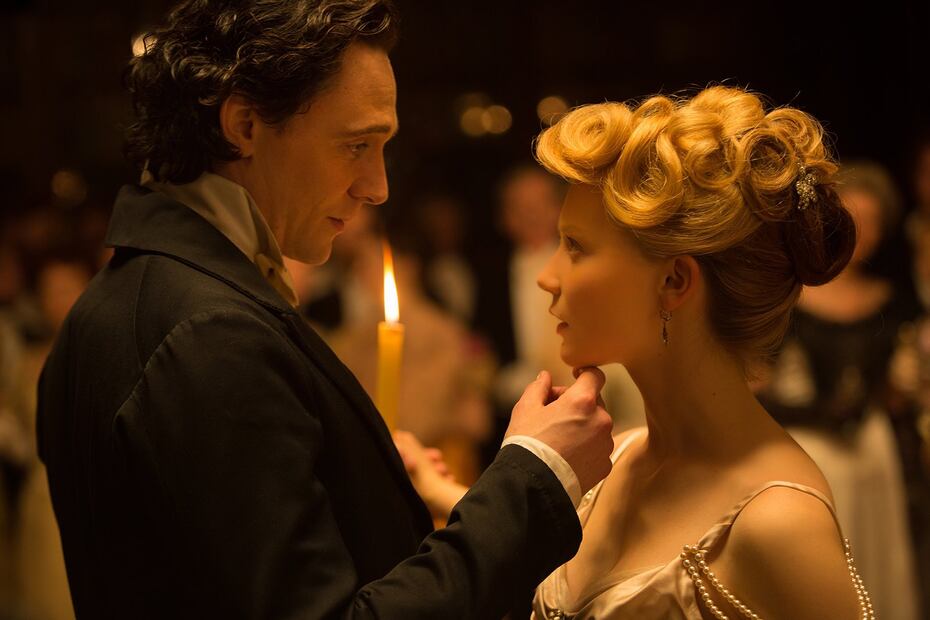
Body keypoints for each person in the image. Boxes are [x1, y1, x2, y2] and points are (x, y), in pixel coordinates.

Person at [35, 1, 614, 618]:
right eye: (356, 145)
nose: (377, 186)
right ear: (245, 125)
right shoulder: (209, 331)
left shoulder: (121, 298)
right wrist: (532, 476)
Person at [403, 86, 873, 619]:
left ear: (673, 281)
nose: (547, 276)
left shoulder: (780, 522)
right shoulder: (617, 458)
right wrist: (434, 486)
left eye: (575, 246)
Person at [758, 161, 920, 619]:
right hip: (808, 446)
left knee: (874, 547)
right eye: (853, 218)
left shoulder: (891, 301)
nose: (861, 231)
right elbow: (759, 383)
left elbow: (893, 387)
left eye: (872, 221)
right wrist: (814, 413)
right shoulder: (789, 297)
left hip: (871, 444)